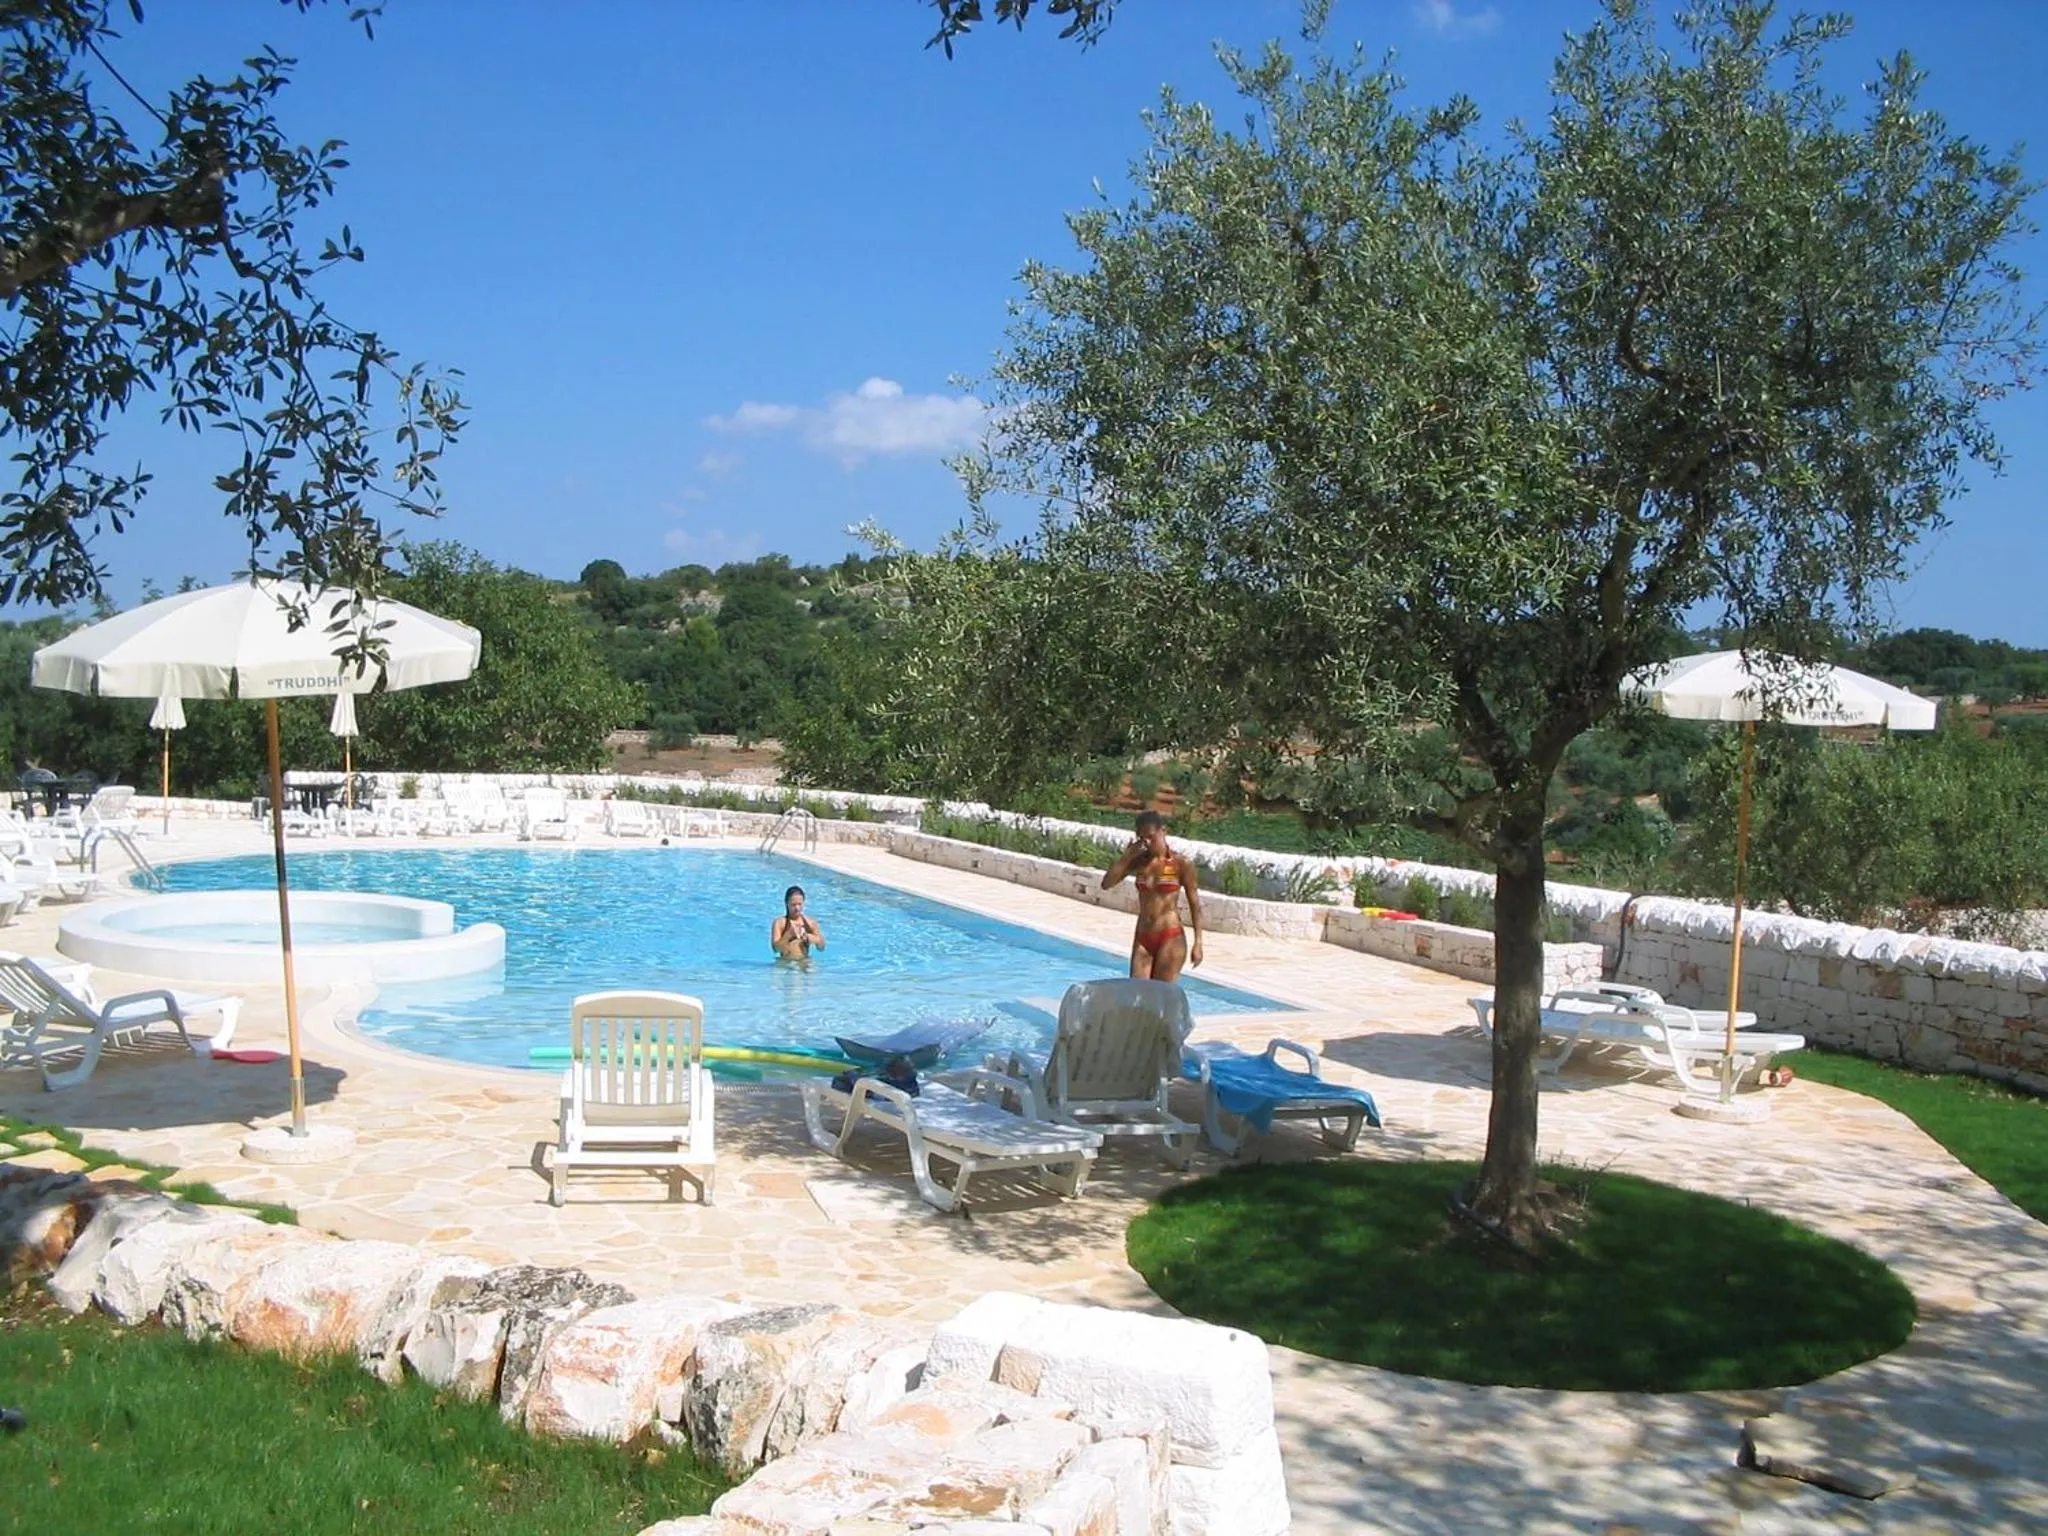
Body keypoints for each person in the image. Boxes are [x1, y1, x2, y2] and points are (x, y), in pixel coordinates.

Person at [1100, 811, 1203, 981]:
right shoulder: (1139, 861)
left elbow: (1194, 903)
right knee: (1137, 994)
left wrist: (1198, 942)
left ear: (1163, 831)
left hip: (1170, 934)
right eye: (1142, 838)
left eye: (1150, 837)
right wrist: (1126, 857)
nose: (1147, 842)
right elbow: (1106, 884)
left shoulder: (1180, 863)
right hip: (1143, 935)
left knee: (1161, 995)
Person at [771, 884, 826, 959]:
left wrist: (812, 938)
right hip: (786, 962)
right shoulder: (780, 923)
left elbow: (821, 948)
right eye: (793, 905)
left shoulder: (810, 922)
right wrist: (788, 935)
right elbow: (775, 949)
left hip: (805, 962)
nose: (797, 908)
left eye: (800, 904)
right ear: (787, 904)